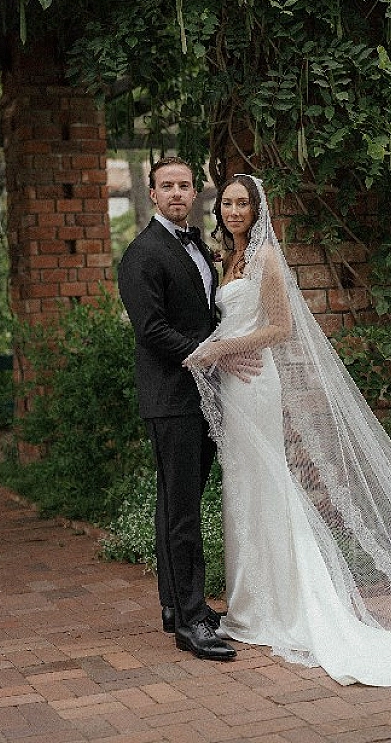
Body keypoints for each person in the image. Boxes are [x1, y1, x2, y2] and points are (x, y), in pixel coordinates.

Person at [185, 173, 391, 687]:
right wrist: (218, 349)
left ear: (258, 210)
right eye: (228, 204)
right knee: (242, 491)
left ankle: (278, 605)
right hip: (235, 385)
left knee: (266, 486)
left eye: (243, 204)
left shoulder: (265, 260)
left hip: (257, 384)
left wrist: (220, 350)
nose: (234, 211)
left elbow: (279, 329)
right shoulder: (226, 259)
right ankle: (249, 602)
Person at [117, 157, 259, 661]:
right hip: (173, 397)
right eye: (166, 186)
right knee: (182, 512)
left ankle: (176, 607)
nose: (176, 193)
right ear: (152, 194)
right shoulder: (142, 255)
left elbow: (201, 312)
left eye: (184, 185)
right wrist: (212, 356)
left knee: (176, 505)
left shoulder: (198, 244)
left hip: (200, 396)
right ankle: (193, 621)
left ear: (195, 192)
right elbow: (152, 331)